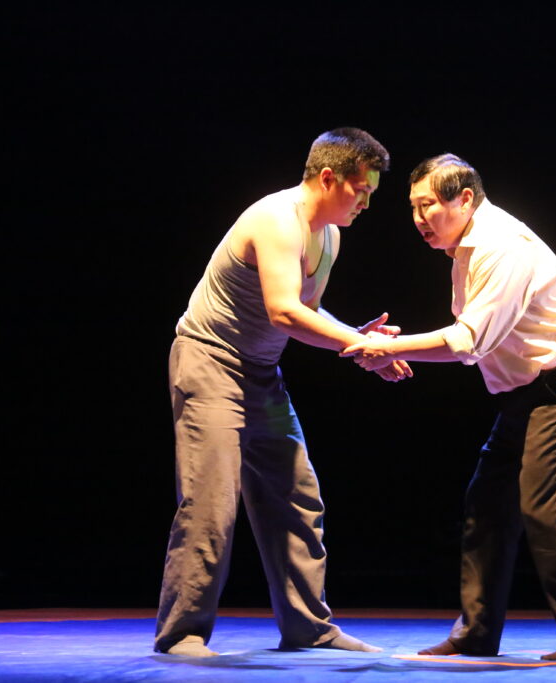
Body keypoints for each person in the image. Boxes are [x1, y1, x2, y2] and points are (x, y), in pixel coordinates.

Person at [341, 153, 556, 661]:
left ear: (464, 199)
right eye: (413, 207)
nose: (419, 218)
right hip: (523, 395)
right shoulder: (466, 249)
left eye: (428, 205)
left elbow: (469, 342)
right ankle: (477, 633)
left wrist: (391, 347)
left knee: (543, 509)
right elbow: (474, 343)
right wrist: (396, 348)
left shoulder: (502, 246)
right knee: (486, 507)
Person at [155, 128, 411, 657]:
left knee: (297, 496)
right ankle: (182, 633)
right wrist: (360, 344)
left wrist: (358, 340)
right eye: (361, 190)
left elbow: (307, 309)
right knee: (211, 501)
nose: (366, 203)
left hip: (261, 374)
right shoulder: (276, 219)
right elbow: (284, 313)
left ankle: (308, 627)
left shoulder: (329, 235)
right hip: (209, 362)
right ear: (328, 177)